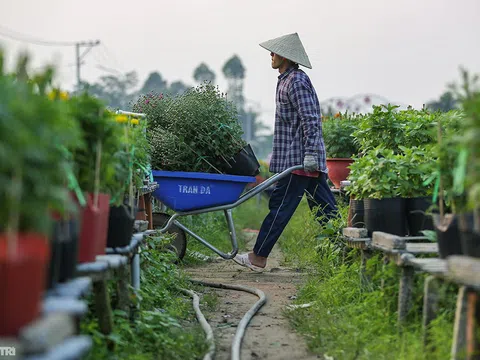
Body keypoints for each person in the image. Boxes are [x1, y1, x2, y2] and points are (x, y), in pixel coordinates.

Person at [233, 32, 338, 272]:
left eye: (274, 51)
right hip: (296, 160)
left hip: (300, 161)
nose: (270, 55)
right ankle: (345, 250)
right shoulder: (285, 80)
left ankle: (258, 257)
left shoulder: (297, 81)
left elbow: (310, 118)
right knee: (326, 210)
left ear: (287, 56)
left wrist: (310, 154)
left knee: (280, 207)